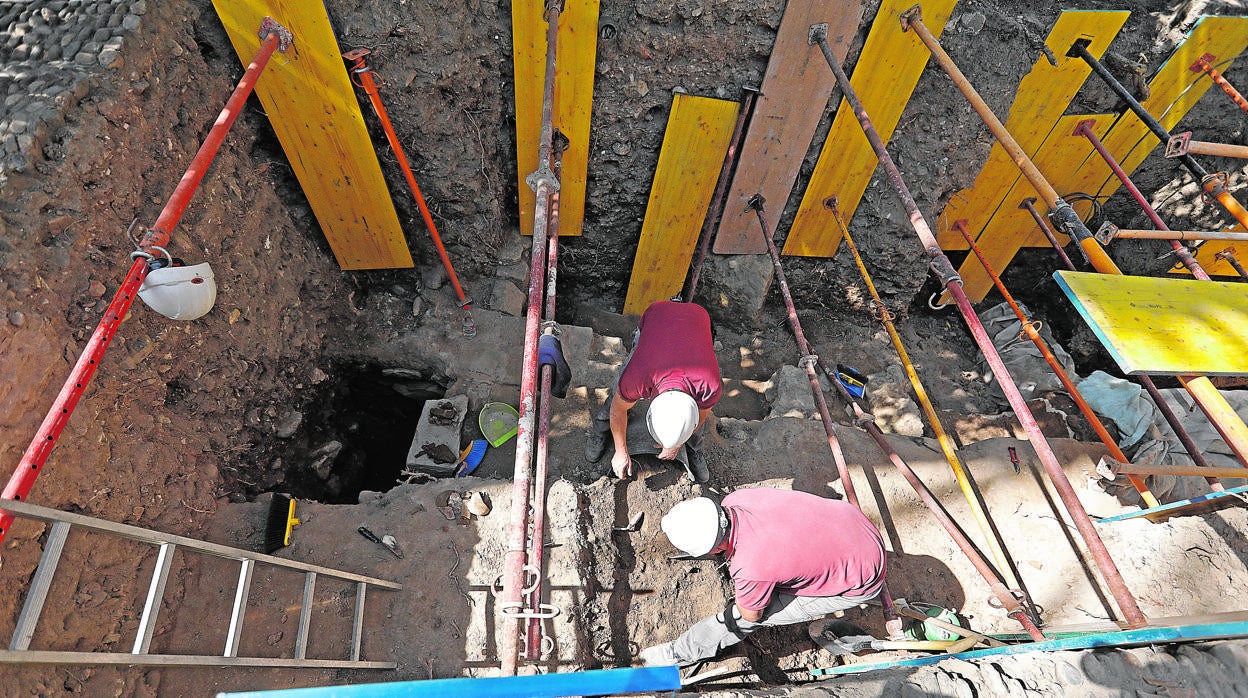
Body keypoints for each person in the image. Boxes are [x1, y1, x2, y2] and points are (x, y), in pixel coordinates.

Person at [640, 489, 886, 667]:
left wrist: (749, 598)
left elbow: (750, 615)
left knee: (744, 616)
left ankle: (681, 652)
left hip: (865, 577)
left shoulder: (751, 568)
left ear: (713, 549)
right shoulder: (737, 499)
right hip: (854, 523)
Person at [585, 300, 721, 482]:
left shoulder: (710, 385)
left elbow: (700, 417)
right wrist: (620, 451)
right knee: (617, 395)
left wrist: (677, 443)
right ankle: (601, 429)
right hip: (658, 314)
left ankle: (693, 448)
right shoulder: (638, 377)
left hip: (698, 316)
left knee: (694, 429)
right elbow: (618, 410)